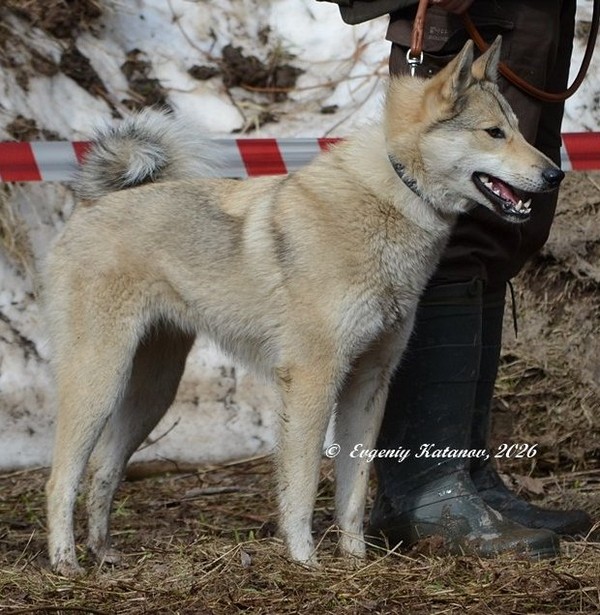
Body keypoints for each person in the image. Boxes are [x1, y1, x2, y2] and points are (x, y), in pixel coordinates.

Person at [324, 0, 595, 558]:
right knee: (455, 238)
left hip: (537, 19)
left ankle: (468, 475)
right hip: (468, 17)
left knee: (502, 236)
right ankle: (424, 489)